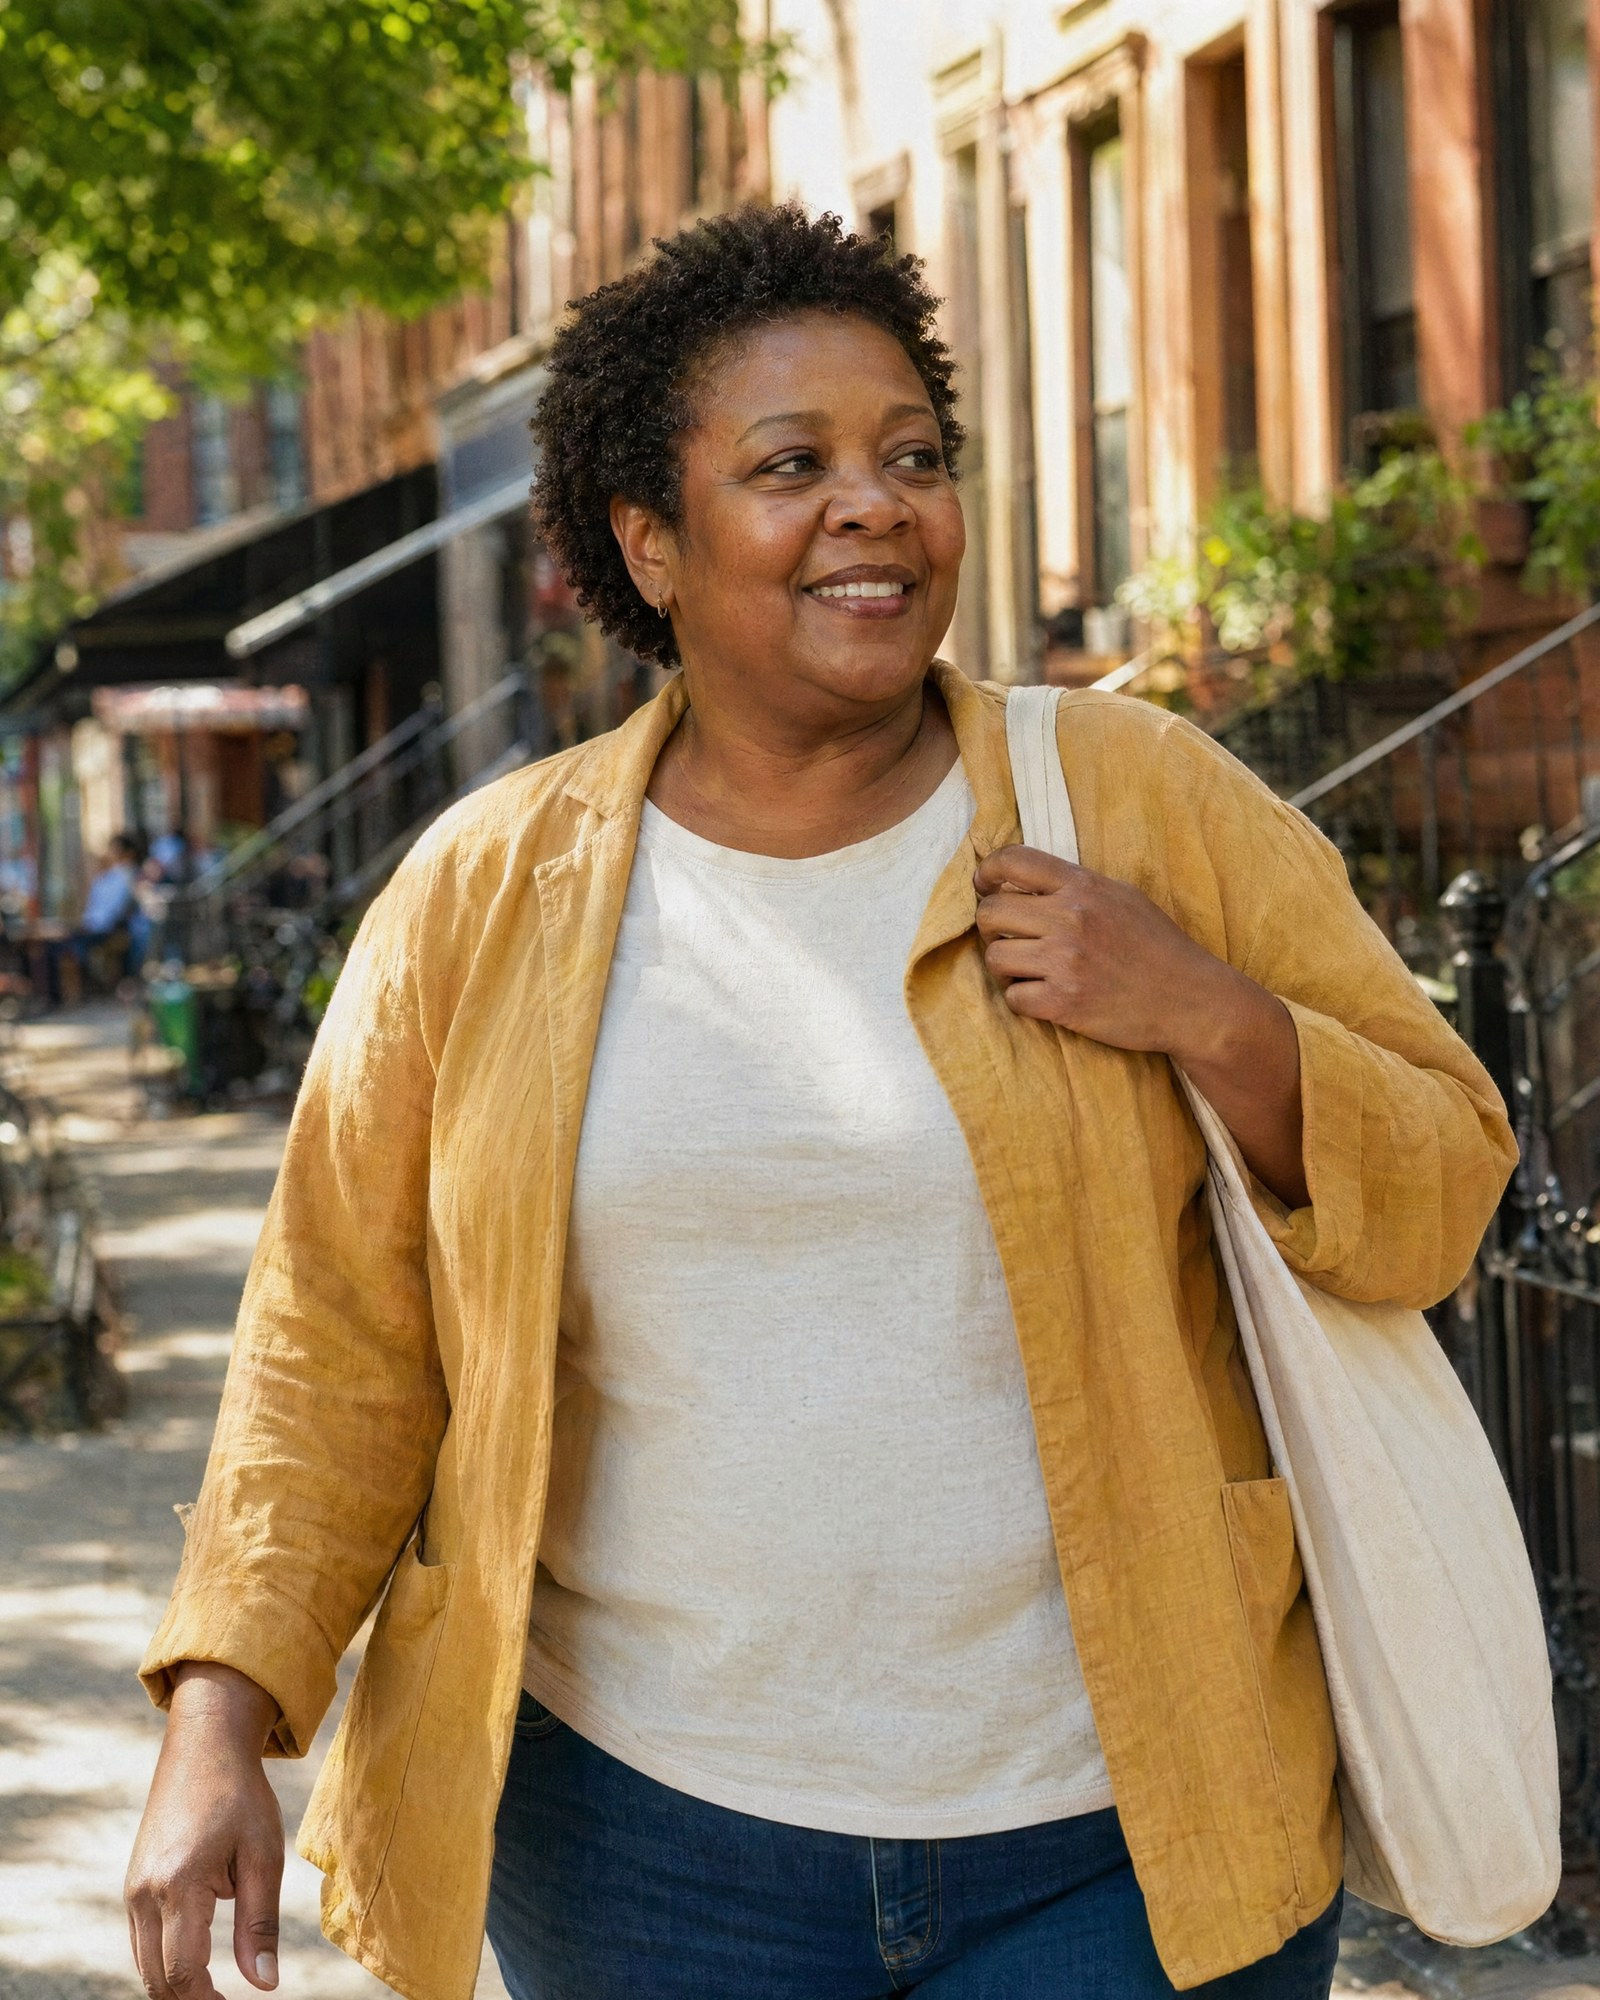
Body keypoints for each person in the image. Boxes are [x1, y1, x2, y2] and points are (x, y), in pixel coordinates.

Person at [125, 207, 1515, 2000]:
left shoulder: (1136, 799)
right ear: (653, 541)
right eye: (792, 466)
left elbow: (1450, 1182)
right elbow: (336, 1335)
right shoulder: (490, 894)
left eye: (913, 457)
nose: (874, 504)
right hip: (641, 1846)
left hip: (1120, 1831)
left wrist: (1210, 1015)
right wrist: (219, 1717)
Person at [45, 833, 141, 1001]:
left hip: (106, 929)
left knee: (68, 947)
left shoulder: (125, 876)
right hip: (94, 926)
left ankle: (80, 989)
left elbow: (111, 911)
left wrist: (90, 925)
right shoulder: (107, 878)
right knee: (56, 945)